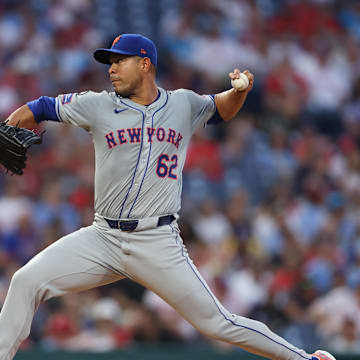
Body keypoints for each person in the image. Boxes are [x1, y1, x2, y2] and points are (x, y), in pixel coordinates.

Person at [0, 33, 335, 360]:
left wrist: (239, 92)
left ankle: (305, 359)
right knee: (26, 280)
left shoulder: (182, 104)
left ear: (145, 64)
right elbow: (42, 106)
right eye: (110, 62)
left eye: (120, 61)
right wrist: (9, 124)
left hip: (156, 240)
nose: (111, 69)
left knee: (218, 323)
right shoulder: (98, 105)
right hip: (103, 237)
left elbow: (221, 109)